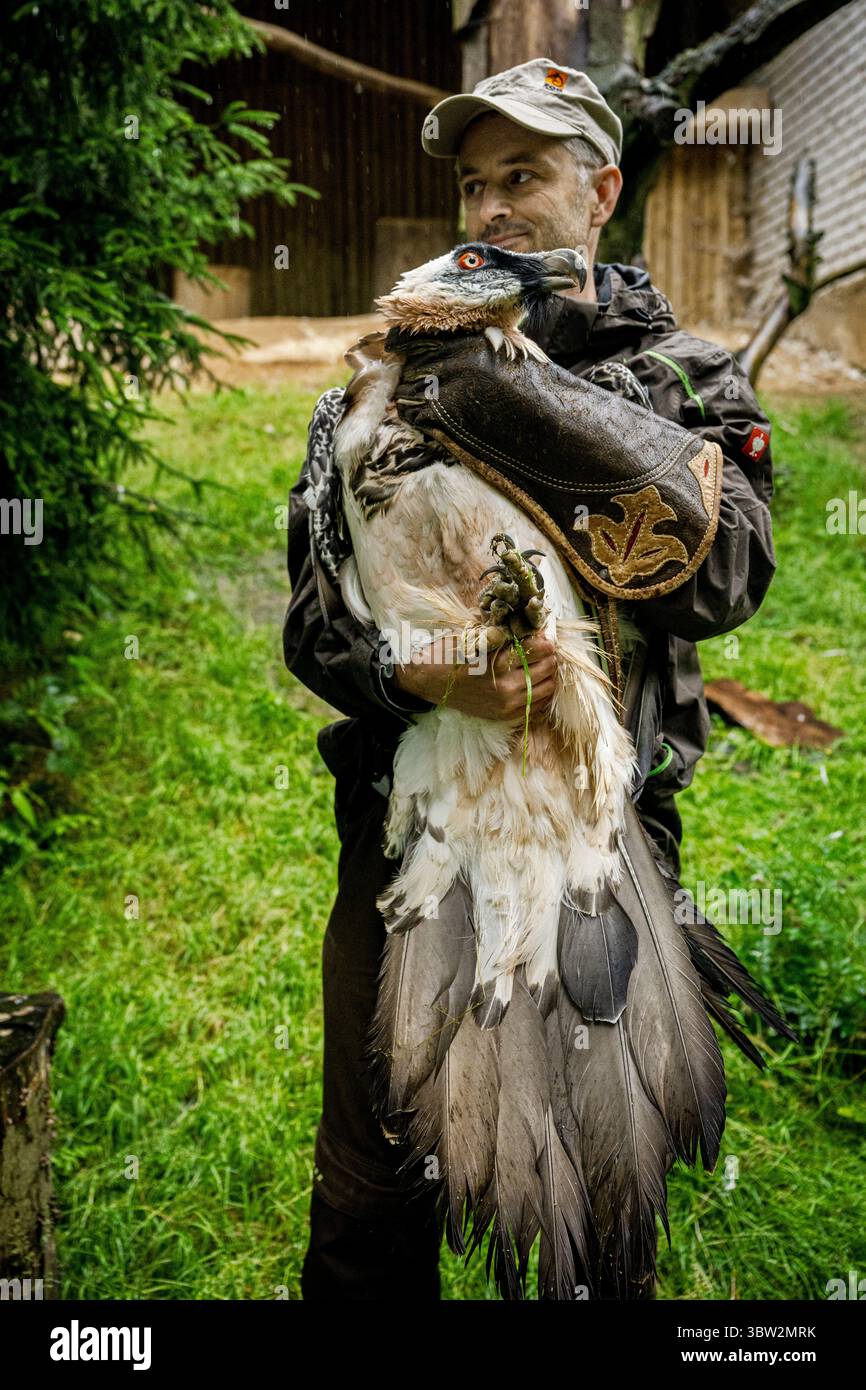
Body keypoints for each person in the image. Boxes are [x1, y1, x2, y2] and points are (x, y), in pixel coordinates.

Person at [284, 58, 775, 1300]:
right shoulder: (375, 379)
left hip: (600, 841)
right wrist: (423, 674)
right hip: (404, 832)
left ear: (599, 188)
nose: (491, 207)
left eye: (524, 175)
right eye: (472, 183)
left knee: (593, 1211)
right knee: (368, 1192)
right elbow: (309, 615)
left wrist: (520, 403)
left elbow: (723, 579)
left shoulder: (683, 378)